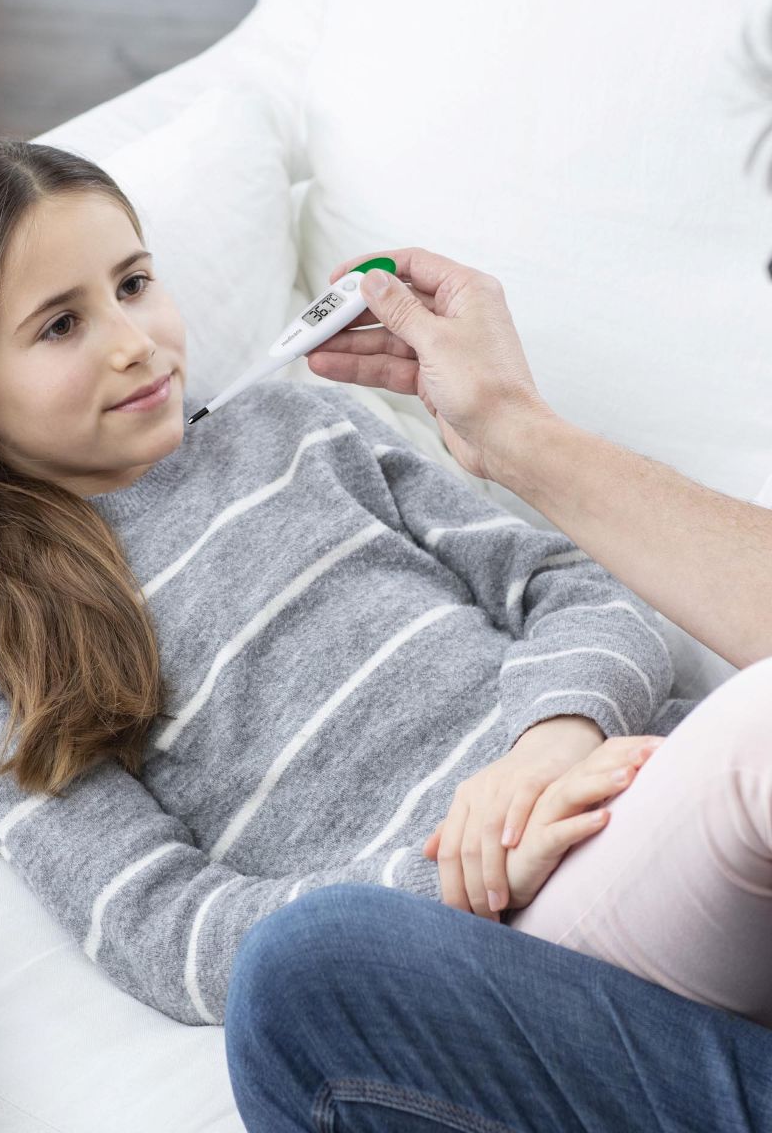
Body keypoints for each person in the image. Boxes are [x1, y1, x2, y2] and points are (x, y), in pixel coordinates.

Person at [223, 242, 772, 1131]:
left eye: (136, 283)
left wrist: (553, 736)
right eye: (58, 324)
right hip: (489, 923)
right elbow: (167, 922)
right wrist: (462, 876)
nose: (131, 340)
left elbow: (587, 593)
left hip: (619, 795)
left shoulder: (313, 430)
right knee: (303, 966)